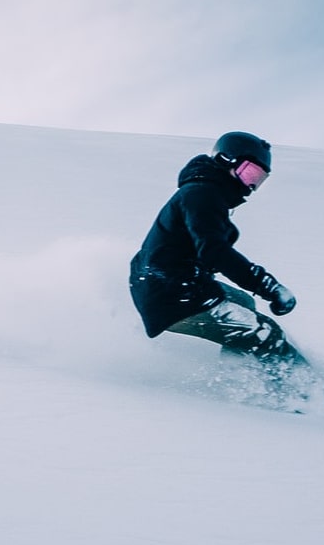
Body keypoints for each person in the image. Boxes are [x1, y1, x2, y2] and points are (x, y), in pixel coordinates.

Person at [129, 131, 304, 376]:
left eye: (258, 179)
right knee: (265, 332)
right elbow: (215, 252)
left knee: (244, 303)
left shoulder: (205, 194)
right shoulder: (202, 194)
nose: (250, 186)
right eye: (249, 173)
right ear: (225, 160)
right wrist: (268, 286)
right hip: (172, 293)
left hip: (174, 284)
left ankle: (241, 373)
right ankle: (308, 397)